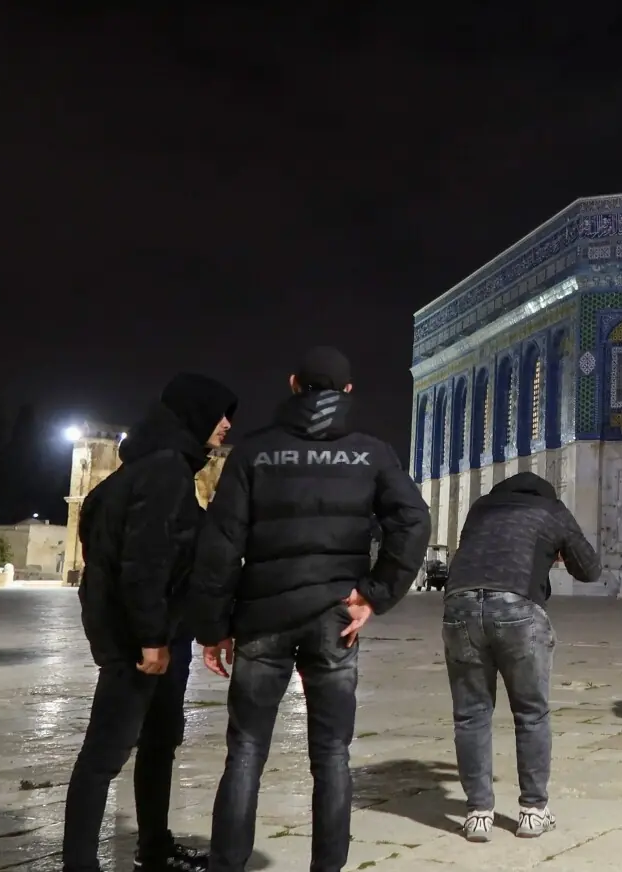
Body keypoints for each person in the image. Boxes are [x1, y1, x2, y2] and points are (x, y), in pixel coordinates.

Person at [190, 347, 429, 872]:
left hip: (262, 617)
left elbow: (221, 543)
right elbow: (413, 520)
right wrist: (374, 593)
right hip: (333, 618)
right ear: (348, 391)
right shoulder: (371, 453)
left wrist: (212, 626)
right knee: (332, 753)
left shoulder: (255, 453)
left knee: (246, 750)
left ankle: (227, 864)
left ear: (294, 383)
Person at [63, 373, 238, 872]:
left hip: (160, 635)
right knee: (105, 753)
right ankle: (79, 863)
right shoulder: (164, 472)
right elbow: (145, 564)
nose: (226, 425)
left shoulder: (157, 468)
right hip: (140, 644)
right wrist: (150, 639)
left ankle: (155, 849)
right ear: (192, 414)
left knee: (159, 744)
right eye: (220, 414)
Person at [444, 471, 600, 843]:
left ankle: (478, 814)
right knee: (531, 713)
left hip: (459, 605)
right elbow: (590, 569)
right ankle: (532, 811)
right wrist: (557, 550)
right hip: (515, 606)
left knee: (471, 714)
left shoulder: (481, 508)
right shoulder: (551, 510)